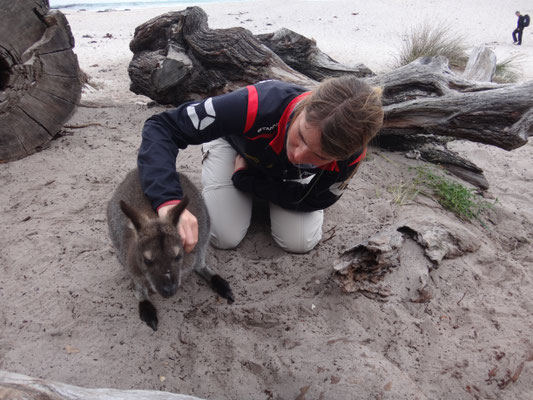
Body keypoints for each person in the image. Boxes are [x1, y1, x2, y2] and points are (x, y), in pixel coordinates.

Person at [137, 76, 384, 254]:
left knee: (299, 242)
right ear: (305, 108)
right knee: (224, 236)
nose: (299, 156)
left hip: (267, 171)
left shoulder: (350, 154)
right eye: (301, 136)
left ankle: (252, 188)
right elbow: (162, 127)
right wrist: (167, 201)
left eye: (318, 156)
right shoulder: (254, 105)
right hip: (235, 146)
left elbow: (318, 199)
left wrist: (248, 181)